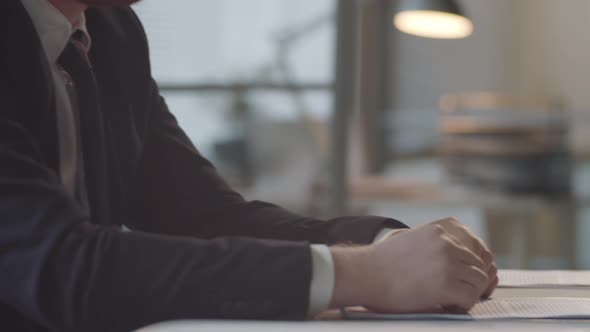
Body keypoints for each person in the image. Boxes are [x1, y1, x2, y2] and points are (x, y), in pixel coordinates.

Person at [0, 0, 498, 331]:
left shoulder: (112, 34)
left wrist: (385, 244)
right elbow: (62, 266)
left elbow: (207, 217)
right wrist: (365, 273)